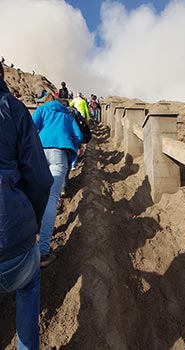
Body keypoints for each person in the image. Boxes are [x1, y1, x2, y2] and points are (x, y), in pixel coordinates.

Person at [0, 62, 53, 350]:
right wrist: (32, 222)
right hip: (13, 240)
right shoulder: (14, 109)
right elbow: (40, 178)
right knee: (29, 283)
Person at [32, 93, 83, 267]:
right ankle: (43, 251)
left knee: (35, 194)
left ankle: (27, 243)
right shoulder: (67, 116)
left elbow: (31, 128)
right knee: (51, 199)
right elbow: (79, 136)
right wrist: (72, 144)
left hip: (39, 153)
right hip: (59, 154)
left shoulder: (42, 109)